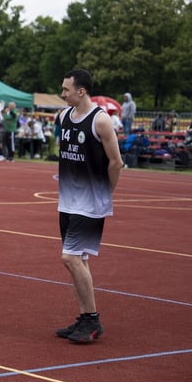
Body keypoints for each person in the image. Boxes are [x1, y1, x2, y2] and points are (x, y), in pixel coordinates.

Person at [54, 68, 123, 344]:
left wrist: (104, 194)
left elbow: (116, 162)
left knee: (69, 258)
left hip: (89, 204)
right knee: (77, 260)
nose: (62, 94)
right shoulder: (64, 117)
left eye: (66, 89)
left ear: (81, 91)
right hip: (67, 202)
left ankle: (93, 319)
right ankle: (84, 318)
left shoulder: (101, 121)